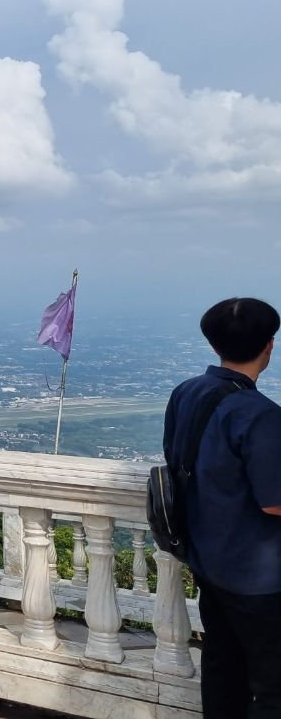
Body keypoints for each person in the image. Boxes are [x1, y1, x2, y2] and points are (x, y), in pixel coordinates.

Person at [163, 297, 281, 719]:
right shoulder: (260, 415)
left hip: (209, 563)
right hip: (259, 579)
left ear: (215, 346)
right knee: (273, 686)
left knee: (223, 669)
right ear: (270, 346)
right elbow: (274, 503)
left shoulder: (187, 393)